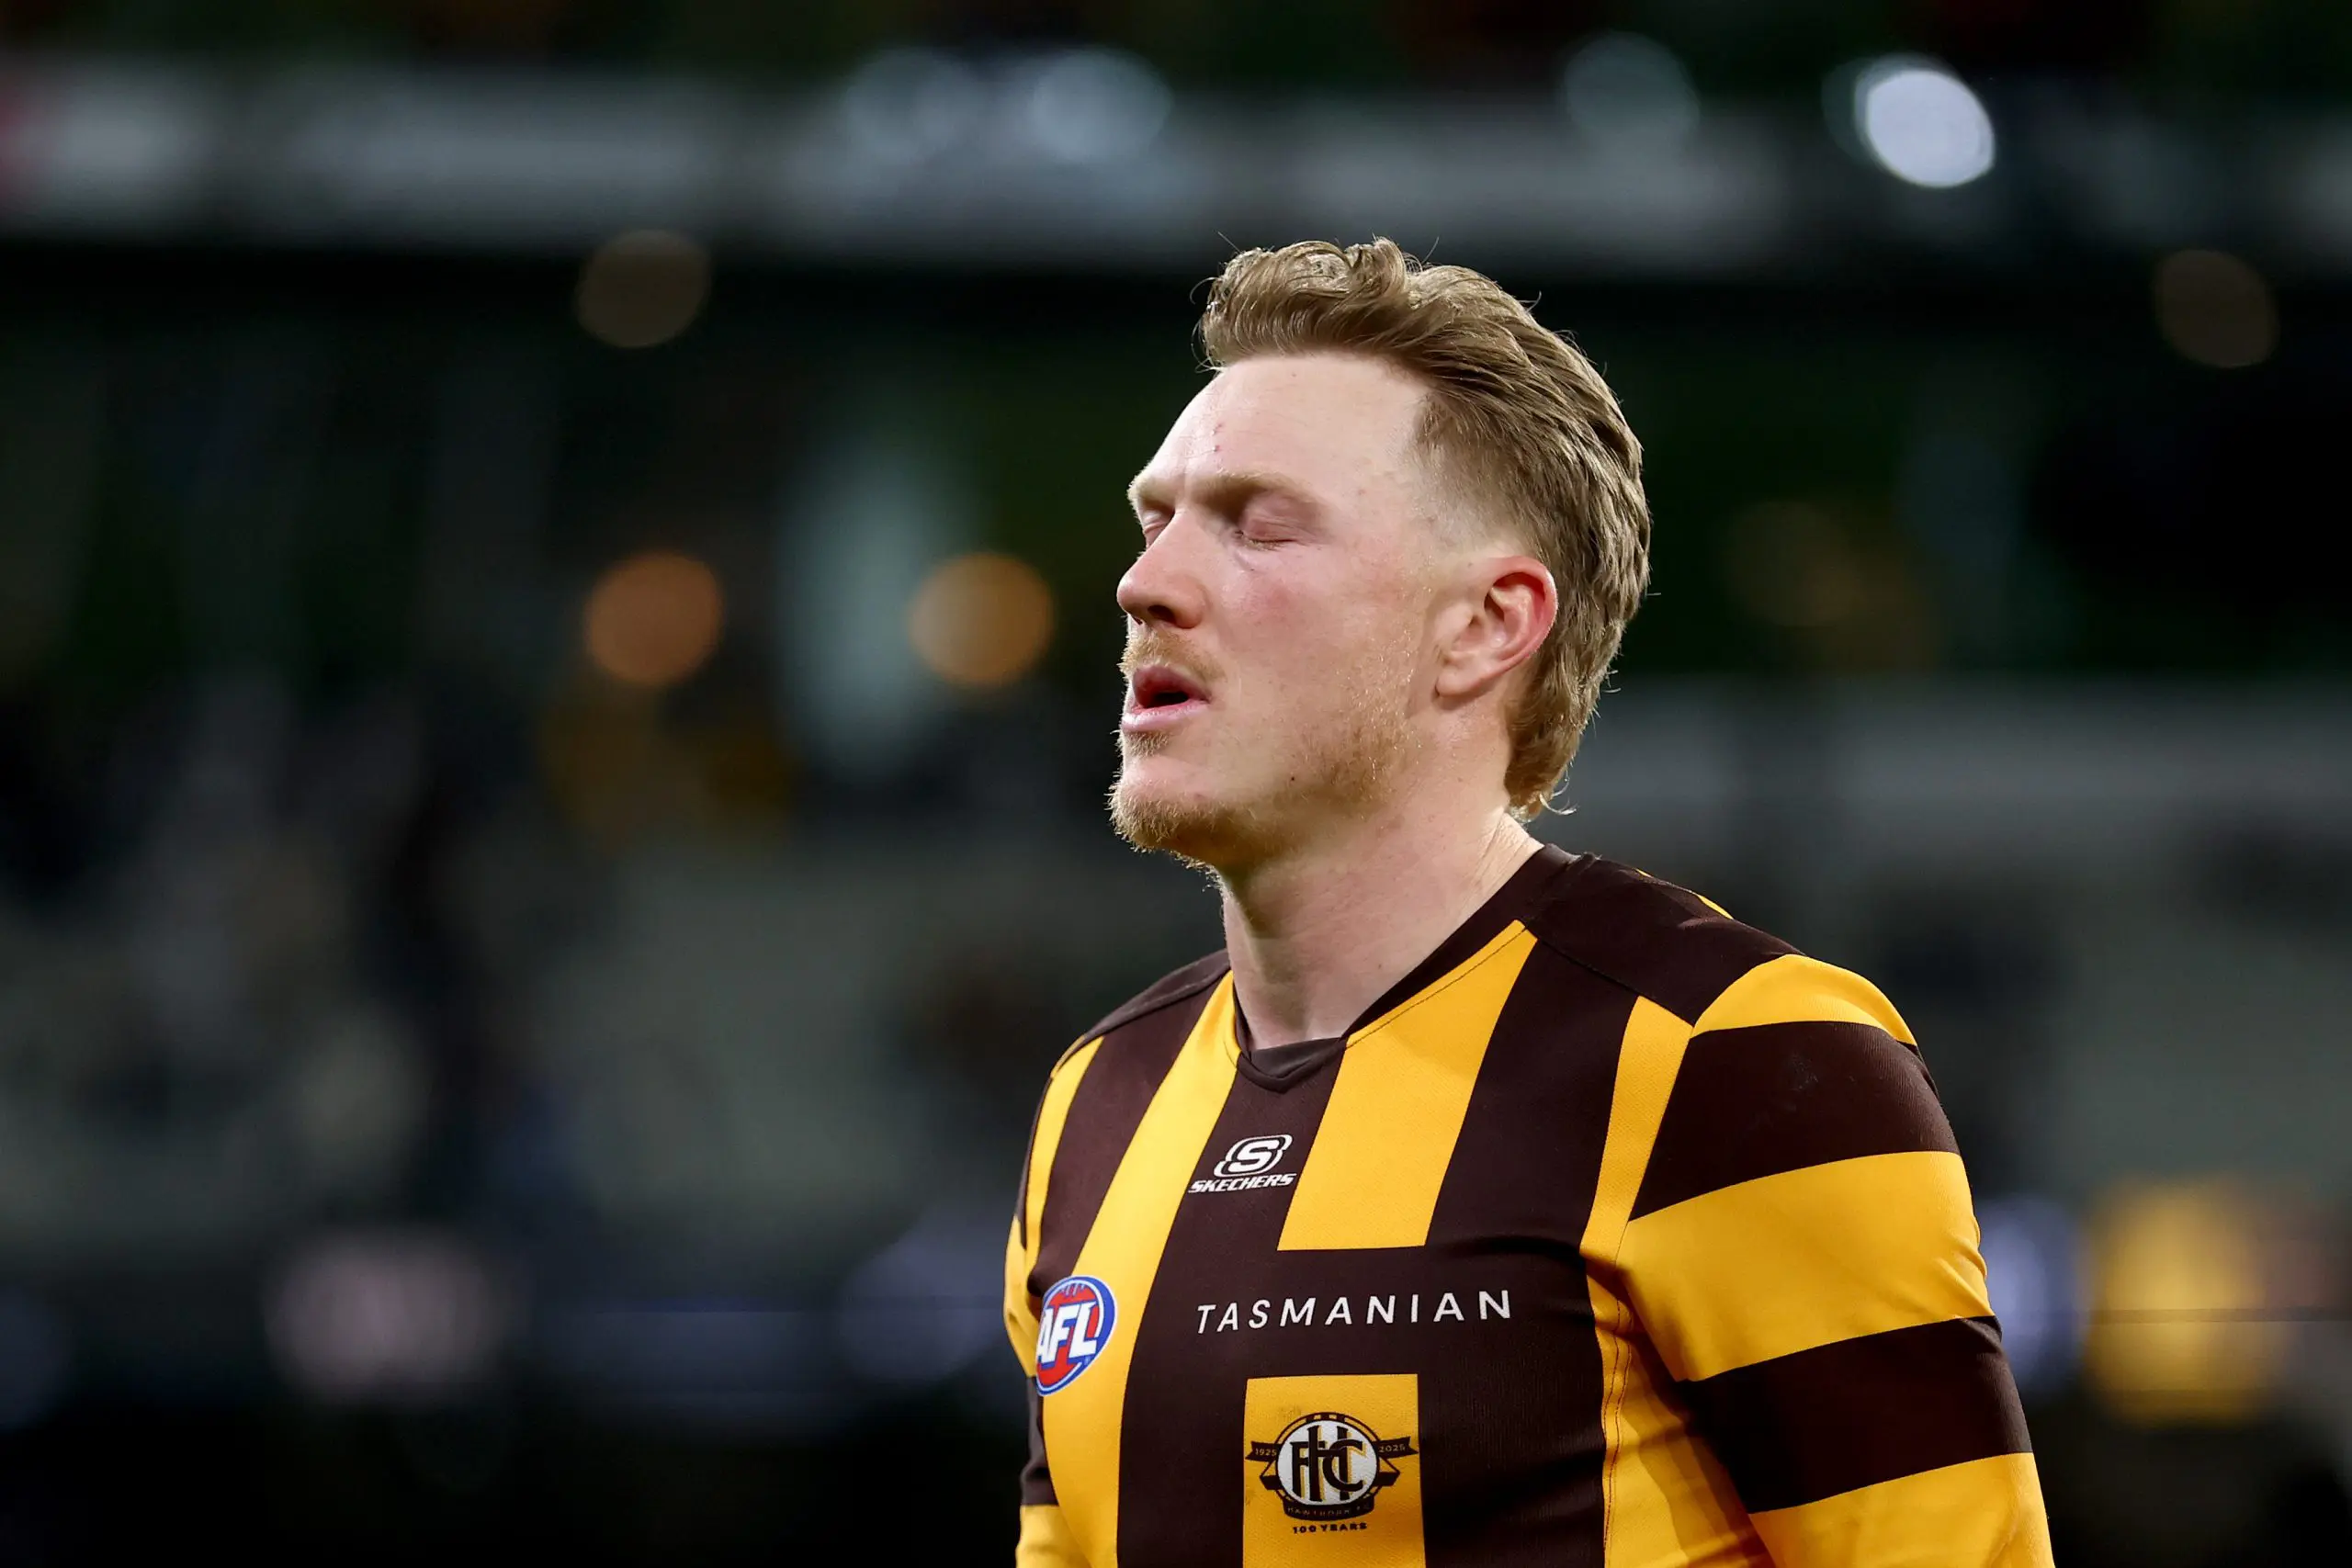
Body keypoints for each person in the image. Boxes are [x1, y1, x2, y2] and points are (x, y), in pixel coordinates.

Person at [1002, 238, 2052, 1567]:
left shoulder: (1733, 1057)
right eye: (1159, 519)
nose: (1145, 582)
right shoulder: (1097, 1102)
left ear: (1487, 626)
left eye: (1258, 524)